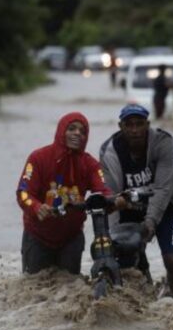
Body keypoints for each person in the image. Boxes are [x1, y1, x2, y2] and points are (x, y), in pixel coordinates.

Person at [99, 104, 173, 299]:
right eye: (129, 125)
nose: (134, 130)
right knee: (127, 253)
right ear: (120, 126)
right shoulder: (109, 151)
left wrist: (150, 222)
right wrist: (111, 237)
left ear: (147, 125)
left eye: (139, 124)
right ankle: (141, 298)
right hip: (130, 206)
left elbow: (163, 188)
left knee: (171, 258)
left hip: (168, 205)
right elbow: (112, 196)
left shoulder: (164, 143)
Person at [16, 112, 111, 275]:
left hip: (71, 238)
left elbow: (104, 192)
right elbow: (23, 193)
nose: (77, 133)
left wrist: (115, 201)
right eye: (72, 129)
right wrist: (37, 207)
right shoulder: (38, 158)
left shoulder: (91, 164)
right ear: (61, 131)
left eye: (82, 131)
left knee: (70, 289)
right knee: (34, 291)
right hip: (37, 236)